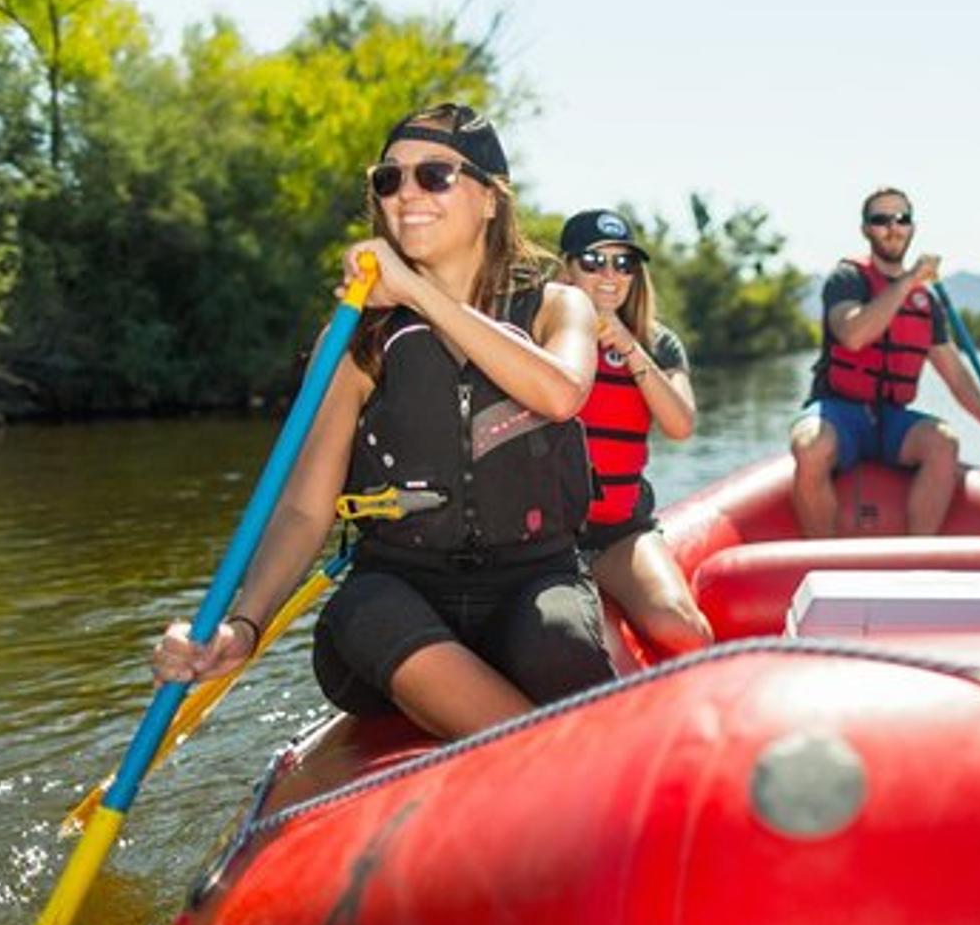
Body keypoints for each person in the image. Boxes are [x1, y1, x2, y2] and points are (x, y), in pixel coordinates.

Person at [152, 102, 611, 738]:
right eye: (388, 179)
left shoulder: (557, 308)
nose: (406, 194)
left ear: (490, 200)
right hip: (400, 591)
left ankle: (537, 754)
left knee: (560, 640)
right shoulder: (356, 335)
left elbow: (561, 394)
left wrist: (419, 292)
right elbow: (304, 510)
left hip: (532, 582)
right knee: (363, 612)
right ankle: (550, 759)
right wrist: (245, 626)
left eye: (435, 176)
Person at [788, 186, 980, 536]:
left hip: (891, 420)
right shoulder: (847, 279)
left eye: (901, 219)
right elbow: (853, 334)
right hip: (839, 412)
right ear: (866, 229)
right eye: (881, 219)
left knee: (943, 442)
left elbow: (957, 378)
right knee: (810, 446)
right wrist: (907, 280)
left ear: (912, 227)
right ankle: (821, 559)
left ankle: (918, 559)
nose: (892, 227)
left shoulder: (927, 303)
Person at [557, 208, 714, 655]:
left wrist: (628, 347)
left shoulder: (658, 343)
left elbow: (681, 425)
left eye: (623, 263)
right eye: (593, 261)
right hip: (549, 535)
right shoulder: (539, 333)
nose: (610, 274)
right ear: (567, 269)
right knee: (602, 654)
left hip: (620, 531)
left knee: (685, 629)